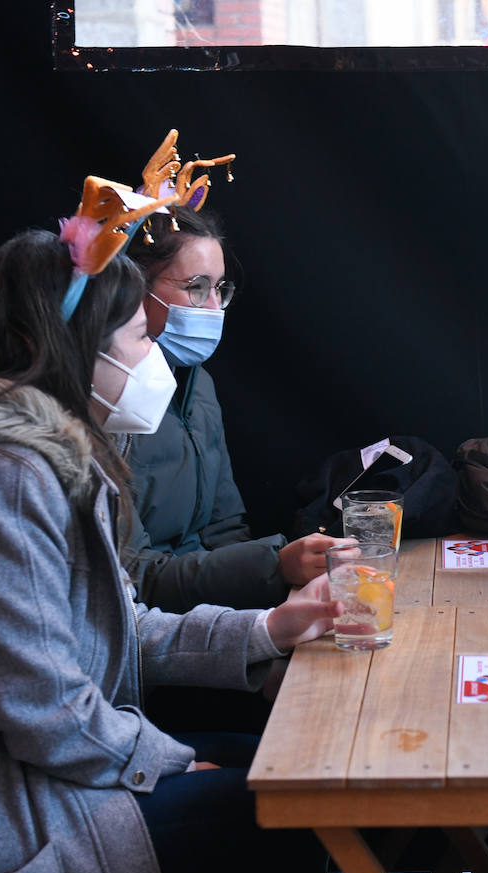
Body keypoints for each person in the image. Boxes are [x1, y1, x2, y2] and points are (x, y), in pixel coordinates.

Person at [0, 180, 340, 873]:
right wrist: (172, 760)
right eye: (140, 338)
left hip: (32, 780)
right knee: (282, 803)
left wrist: (264, 628)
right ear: (62, 348)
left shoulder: (39, 462)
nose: (155, 358)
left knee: (294, 775)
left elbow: (122, 624)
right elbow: (44, 710)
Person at [122, 200, 346, 614]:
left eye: (220, 290)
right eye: (196, 288)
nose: (213, 309)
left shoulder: (198, 384)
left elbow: (225, 530)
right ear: (134, 288)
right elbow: (133, 580)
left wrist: (266, 605)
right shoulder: (106, 405)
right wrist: (273, 568)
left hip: (215, 612)